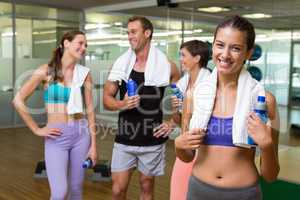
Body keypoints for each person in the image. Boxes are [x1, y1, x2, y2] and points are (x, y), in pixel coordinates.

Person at [175, 15, 280, 200]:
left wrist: (267, 145)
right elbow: (187, 156)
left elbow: (271, 176)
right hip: (198, 191)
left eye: (236, 48)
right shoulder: (194, 95)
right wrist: (178, 145)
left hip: (243, 193)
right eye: (220, 45)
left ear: (248, 53)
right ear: (213, 46)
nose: (225, 55)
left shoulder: (264, 101)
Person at [13, 30, 97, 200]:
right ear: (66, 43)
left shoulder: (84, 73)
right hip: (56, 136)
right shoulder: (46, 71)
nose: (84, 48)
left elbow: (89, 110)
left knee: (76, 190)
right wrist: (36, 129)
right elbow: (18, 100)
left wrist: (93, 146)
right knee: (59, 193)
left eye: (86, 45)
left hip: (81, 134)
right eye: (80, 43)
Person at [103, 16, 180, 200]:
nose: (130, 36)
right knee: (117, 190)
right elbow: (107, 98)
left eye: (133, 32)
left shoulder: (167, 66)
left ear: (147, 33)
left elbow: (183, 98)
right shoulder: (120, 65)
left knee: (146, 188)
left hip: (152, 139)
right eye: (128, 32)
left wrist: (172, 122)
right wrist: (122, 103)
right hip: (125, 137)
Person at [169, 40, 211, 200]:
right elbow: (178, 120)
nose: (180, 59)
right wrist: (176, 108)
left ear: (197, 58)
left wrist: (189, 109)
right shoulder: (182, 84)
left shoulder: (210, 84)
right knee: (178, 192)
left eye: (183, 55)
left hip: (203, 149)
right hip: (185, 145)